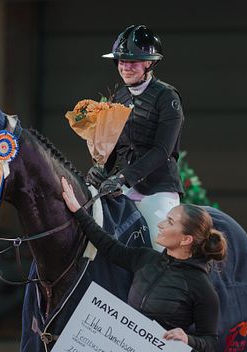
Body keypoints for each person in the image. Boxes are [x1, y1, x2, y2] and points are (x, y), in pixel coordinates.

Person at [61, 176, 225, 352]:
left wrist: (188, 339)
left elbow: (210, 342)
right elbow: (108, 246)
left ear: (186, 239)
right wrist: (78, 211)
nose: (161, 224)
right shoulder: (146, 258)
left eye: (169, 222)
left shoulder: (202, 287)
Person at [89, 24, 185, 251]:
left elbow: (162, 150)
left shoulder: (167, 97)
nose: (125, 67)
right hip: (122, 189)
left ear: (149, 63)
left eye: (132, 62)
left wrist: (123, 178)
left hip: (157, 190)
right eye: (121, 61)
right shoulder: (119, 96)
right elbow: (115, 144)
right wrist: (101, 170)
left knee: (162, 248)